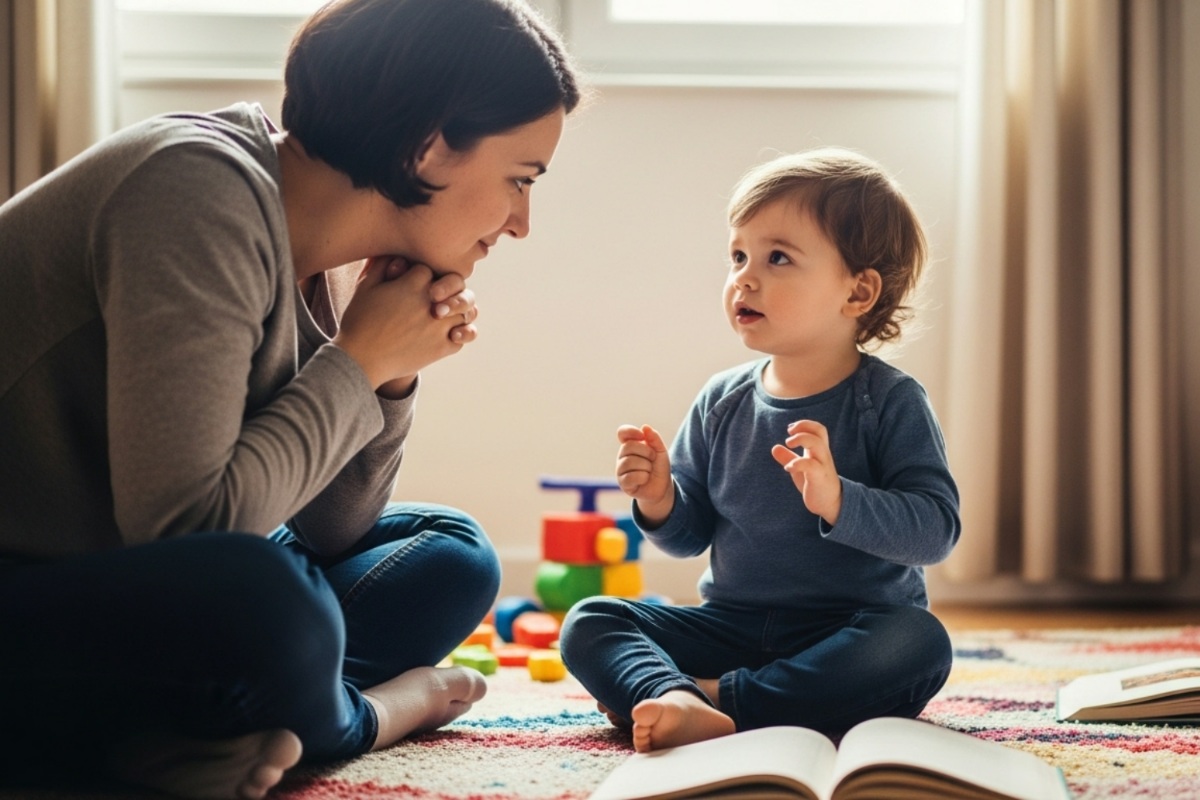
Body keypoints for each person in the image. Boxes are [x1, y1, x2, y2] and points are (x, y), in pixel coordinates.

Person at [0, 0, 580, 797]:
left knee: (451, 553)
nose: (521, 222)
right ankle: (357, 718)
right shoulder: (195, 191)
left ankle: (160, 740)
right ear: (430, 145)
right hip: (31, 582)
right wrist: (357, 363)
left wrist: (388, 375)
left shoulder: (331, 253)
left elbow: (333, 527)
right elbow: (190, 533)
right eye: (520, 179)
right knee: (267, 601)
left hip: (114, 592)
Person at [559, 148, 961, 754]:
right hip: (731, 627)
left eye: (778, 258)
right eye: (738, 256)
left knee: (919, 643)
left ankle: (712, 699)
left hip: (846, 633)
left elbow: (935, 531)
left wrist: (839, 500)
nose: (744, 278)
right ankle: (677, 695)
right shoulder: (721, 401)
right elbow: (688, 537)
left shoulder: (890, 401)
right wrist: (661, 499)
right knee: (592, 619)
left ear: (858, 292)